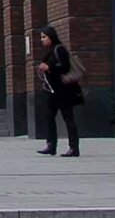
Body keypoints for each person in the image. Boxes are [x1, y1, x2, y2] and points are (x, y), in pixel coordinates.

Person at [35, 25, 84, 157]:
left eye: (44, 37)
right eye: (41, 37)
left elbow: (65, 67)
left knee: (68, 118)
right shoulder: (51, 51)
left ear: (51, 37)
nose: (42, 40)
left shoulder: (59, 49)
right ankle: (51, 145)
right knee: (48, 116)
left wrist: (49, 67)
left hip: (64, 91)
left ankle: (73, 148)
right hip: (54, 92)